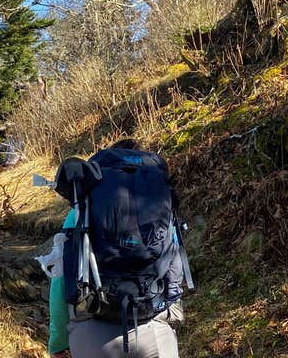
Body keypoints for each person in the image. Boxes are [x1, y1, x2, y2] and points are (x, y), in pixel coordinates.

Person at [44, 139, 187, 358]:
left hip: (93, 331)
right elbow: (174, 266)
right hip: (153, 324)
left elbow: (61, 281)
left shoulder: (83, 211)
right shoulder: (160, 206)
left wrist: (58, 342)